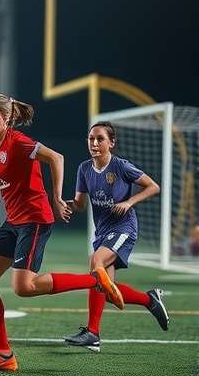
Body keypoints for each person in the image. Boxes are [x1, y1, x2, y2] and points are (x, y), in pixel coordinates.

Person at [0, 93, 125, 373]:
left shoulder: (19, 142)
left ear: (6, 118)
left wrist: (56, 196)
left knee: (23, 287)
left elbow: (56, 157)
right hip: (13, 221)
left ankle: (93, 281)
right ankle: (3, 354)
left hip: (35, 220)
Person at [63, 121, 168, 351]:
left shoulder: (121, 167)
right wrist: (63, 205)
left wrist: (129, 202)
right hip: (103, 232)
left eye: (100, 139)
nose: (94, 143)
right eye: (91, 138)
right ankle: (150, 300)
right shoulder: (84, 169)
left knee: (96, 262)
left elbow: (153, 186)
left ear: (111, 143)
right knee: (107, 290)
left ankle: (92, 333)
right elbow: (80, 204)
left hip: (123, 228)